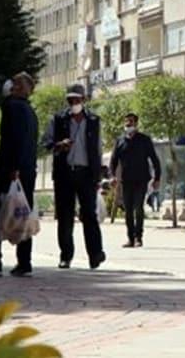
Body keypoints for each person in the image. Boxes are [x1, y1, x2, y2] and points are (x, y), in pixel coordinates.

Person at [0, 73, 39, 277]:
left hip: (12, 171)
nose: (10, 85)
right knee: (23, 214)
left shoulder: (11, 106)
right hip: (28, 171)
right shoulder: (30, 111)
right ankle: (24, 262)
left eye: (15, 83)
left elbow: (14, 140)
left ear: (21, 88)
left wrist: (12, 170)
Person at [43, 84, 105, 270]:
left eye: (77, 100)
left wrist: (98, 175)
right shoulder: (59, 119)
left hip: (86, 174)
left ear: (84, 100)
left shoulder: (94, 120)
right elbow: (46, 143)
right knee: (65, 216)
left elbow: (98, 149)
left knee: (89, 216)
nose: (74, 103)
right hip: (65, 173)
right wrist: (59, 145)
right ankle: (66, 256)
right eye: (70, 100)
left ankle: (95, 254)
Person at [111, 114, 161, 248]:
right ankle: (130, 238)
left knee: (138, 208)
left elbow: (155, 160)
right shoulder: (120, 141)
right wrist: (113, 176)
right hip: (126, 180)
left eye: (131, 123)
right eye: (126, 123)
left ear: (136, 124)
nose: (128, 125)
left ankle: (138, 237)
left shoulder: (144, 140)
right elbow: (113, 160)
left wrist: (157, 178)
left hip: (141, 179)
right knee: (128, 210)